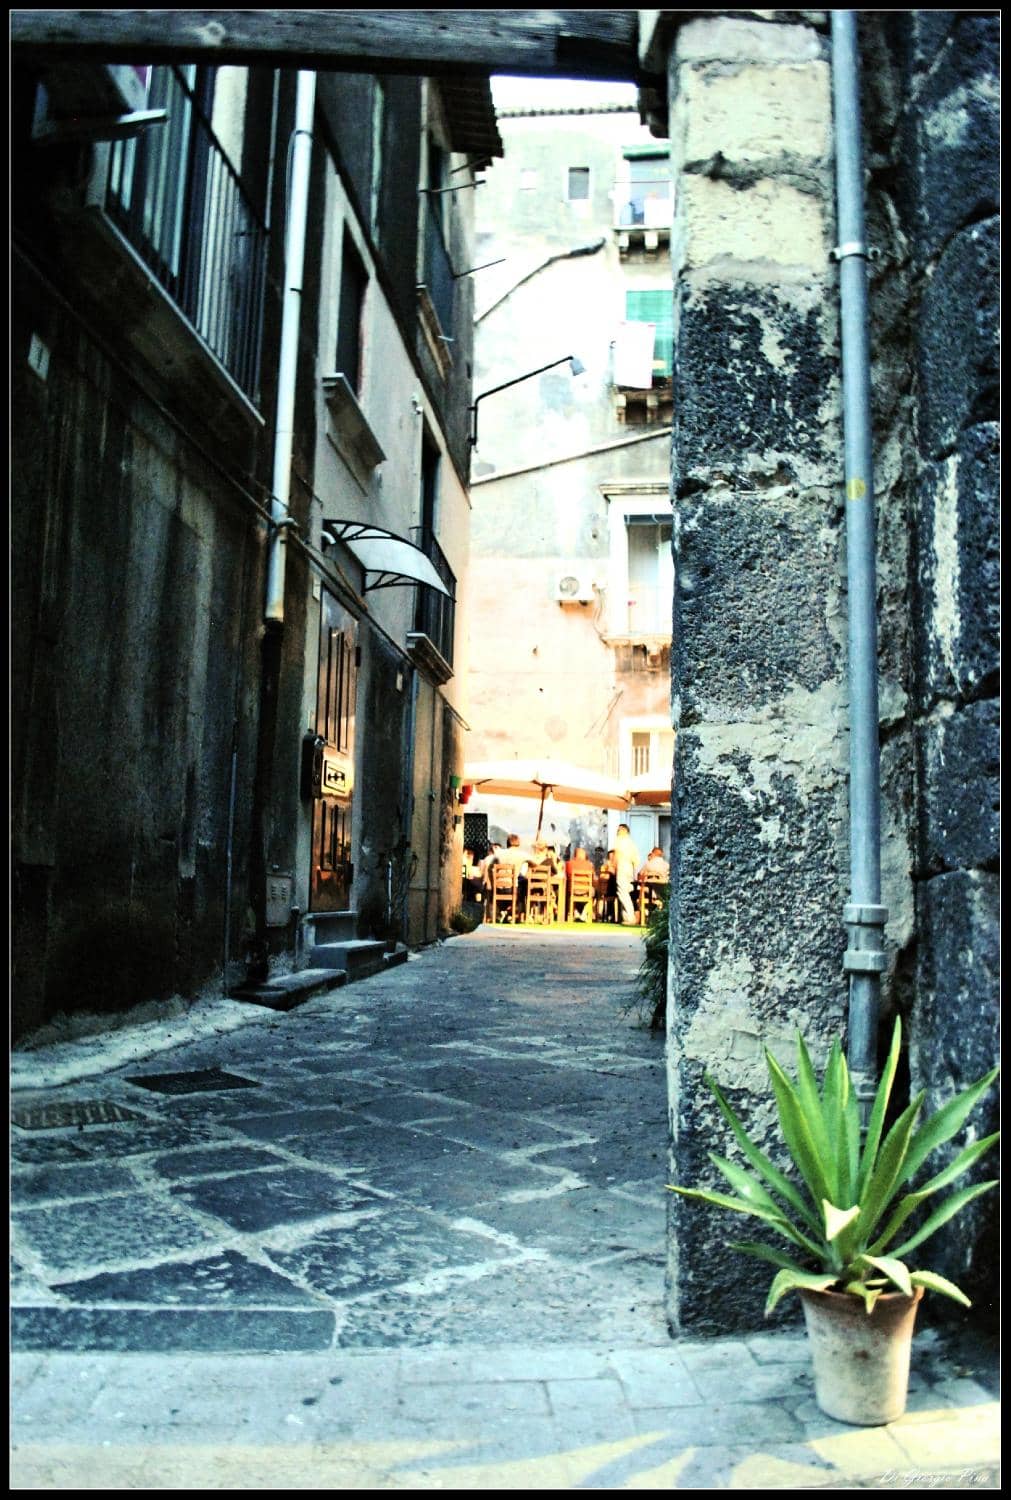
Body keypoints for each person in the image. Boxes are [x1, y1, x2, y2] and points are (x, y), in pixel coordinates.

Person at [613, 823, 642, 925]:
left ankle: (630, 917)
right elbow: (636, 860)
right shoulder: (632, 843)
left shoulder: (620, 840)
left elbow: (616, 855)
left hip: (622, 867)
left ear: (625, 831)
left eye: (619, 829)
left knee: (622, 893)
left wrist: (614, 867)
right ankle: (626, 917)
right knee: (625, 892)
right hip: (629, 869)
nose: (618, 831)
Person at [565, 845, 595, 922]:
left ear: (574, 855)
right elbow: (592, 879)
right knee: (595, 892)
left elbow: (567, 877)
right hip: (585, 891)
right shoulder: (589, 865)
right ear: (585, 855)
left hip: (572, 890)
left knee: (566, 891)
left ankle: (574, 912)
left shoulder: (569, 863)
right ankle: (584, 913)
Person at [596, 848, 617, 922]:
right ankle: (605, 915)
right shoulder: (604, 866)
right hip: (605, 889)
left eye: (612, 858)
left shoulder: (617, 866)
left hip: (614, 889)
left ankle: (611, 915)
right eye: (610, 857)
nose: (611, 859)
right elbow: (601, 877)